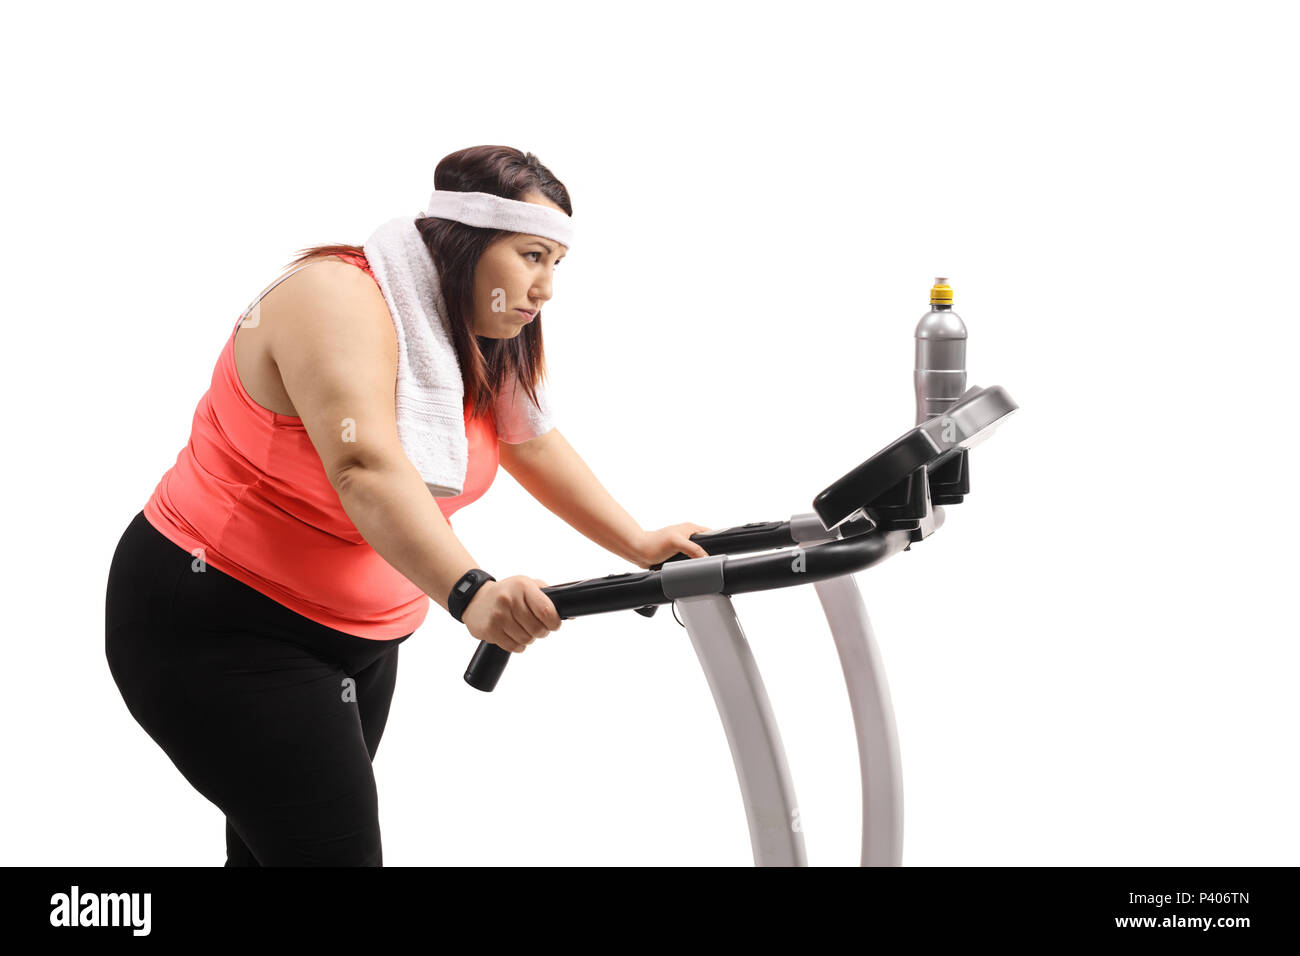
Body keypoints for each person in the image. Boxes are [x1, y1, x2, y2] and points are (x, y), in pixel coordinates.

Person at [104, 145, 712, 866]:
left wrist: (639, 544)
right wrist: (470, 591)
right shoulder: (331, 296)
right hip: (223, 624)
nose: (546, 287)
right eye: (531, 255)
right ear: (467, 238)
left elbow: (531, 443)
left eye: (557, 263)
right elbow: (365, 464)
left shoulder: (473, 335)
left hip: (358, 640)